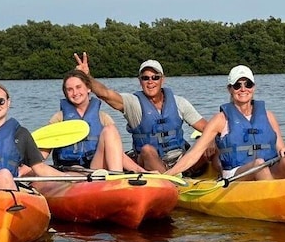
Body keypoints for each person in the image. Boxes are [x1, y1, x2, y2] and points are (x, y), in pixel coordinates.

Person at [74, 52, 212, 174]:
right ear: (140, 81)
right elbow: (105, 94)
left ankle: (225, 179)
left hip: (181, 160)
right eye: (146, 78)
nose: (150, 82)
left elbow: (207, 128)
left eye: (155, 77)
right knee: (147, 150)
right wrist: (86, 77)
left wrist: (211, 141)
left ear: (162, 79)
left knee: (213, 141)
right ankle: (169, 183)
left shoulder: (179, 103)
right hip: (151, 163)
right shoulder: (133, 103)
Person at [165, 65, 285, 181]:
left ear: (254, 87)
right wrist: (167, 175)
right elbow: (194, 154)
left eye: (248, 84)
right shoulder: (220, 120)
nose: (243, 89)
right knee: (258, 164)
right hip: (236, 174)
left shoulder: (269, 116)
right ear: (230, 89)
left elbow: (281, 148)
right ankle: (275, 203)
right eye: (237, 85)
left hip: (267, 168)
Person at [42, 69, 146, 173]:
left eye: (78, 87)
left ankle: (116, 176)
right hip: (70, 171)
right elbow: (42, 153)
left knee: (110, 130)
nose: (75, 93)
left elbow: (118, 154)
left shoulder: (103, 118)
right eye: (70, 89)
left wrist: (140, 170)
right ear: (66, 93)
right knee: (78, 170)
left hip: (96, 167)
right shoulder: (58, 119)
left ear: (88, 88)